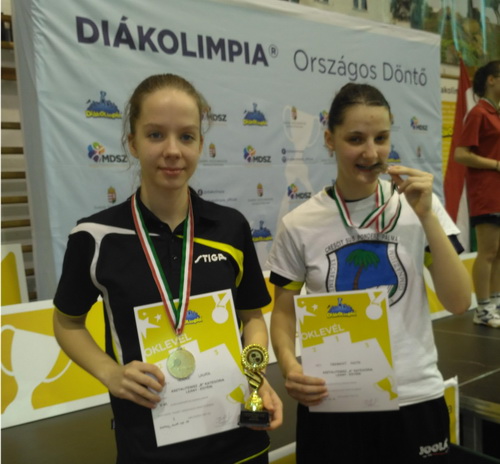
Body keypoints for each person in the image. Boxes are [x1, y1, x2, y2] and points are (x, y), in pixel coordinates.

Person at [53, 73, 282, 464]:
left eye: (186, 136)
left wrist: (254, 374)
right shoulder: (95, 236)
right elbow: (66, 323)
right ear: (132, 142)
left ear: (201, 145)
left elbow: (253, 318)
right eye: (156, 134)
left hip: (239, 440)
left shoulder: (230, 227)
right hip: (148, 447)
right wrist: (110, 373)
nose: (173, 150)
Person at [267, 83, 471, 463]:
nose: (371, 152)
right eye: (355, 139)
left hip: (412, 396)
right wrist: (290, 364)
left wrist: (426, 217)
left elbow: (459, 302)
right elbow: (283, 310)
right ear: (330, 139)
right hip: (333, 398)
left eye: (381, 138)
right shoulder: (300, 223)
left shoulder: (419, 206)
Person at [454, 60, 500, 328]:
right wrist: (496, 165)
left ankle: (495, 303)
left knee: (499, 252)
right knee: (488, 251)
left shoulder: (496, 114)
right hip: (486, 192)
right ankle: (482, 309)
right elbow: (461, 154)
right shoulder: (479, 113)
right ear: (491, 80)